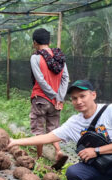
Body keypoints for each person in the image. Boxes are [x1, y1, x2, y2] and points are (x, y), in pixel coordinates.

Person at [30, 28, 69, 164]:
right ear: (49, 41)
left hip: (40, 98)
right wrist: (59, 97)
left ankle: (39, 158)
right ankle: (59, 151)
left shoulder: (36, 57)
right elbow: (65, 77)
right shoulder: (59, 56)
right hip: (56, 102)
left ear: (35, 42)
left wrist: (51, 94)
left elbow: (40, 79)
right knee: (54, 129)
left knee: (38, 130)